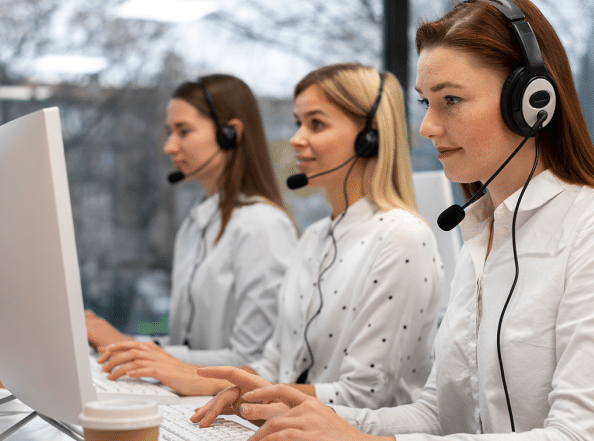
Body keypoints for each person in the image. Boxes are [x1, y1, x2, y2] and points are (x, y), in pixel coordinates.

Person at [189, 1, 594, 439]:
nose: (426, 126)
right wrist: (298, 412)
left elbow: (581, 436)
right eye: (426, 103)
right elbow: (437, 418)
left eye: (451, 100)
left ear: (532, 103)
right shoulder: (483, 234)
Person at [97, 63, 444, 404]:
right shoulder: (314, 237)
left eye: (316, 124)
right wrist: (212, 386)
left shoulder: (402, 236)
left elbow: (364, 396)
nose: (295, 139)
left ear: (370, 138)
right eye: (298, 123)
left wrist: (194, 376)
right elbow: (273, 366)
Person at [85, 74, 297, 380]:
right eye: (169, 132)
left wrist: (128, 345)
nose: (169, 147)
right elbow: (188, 347)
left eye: (183, 131)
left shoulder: (263, 226)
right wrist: (130, 348)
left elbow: (253, 361)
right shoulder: (197, 220)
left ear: (230, 134)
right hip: (191, 398)